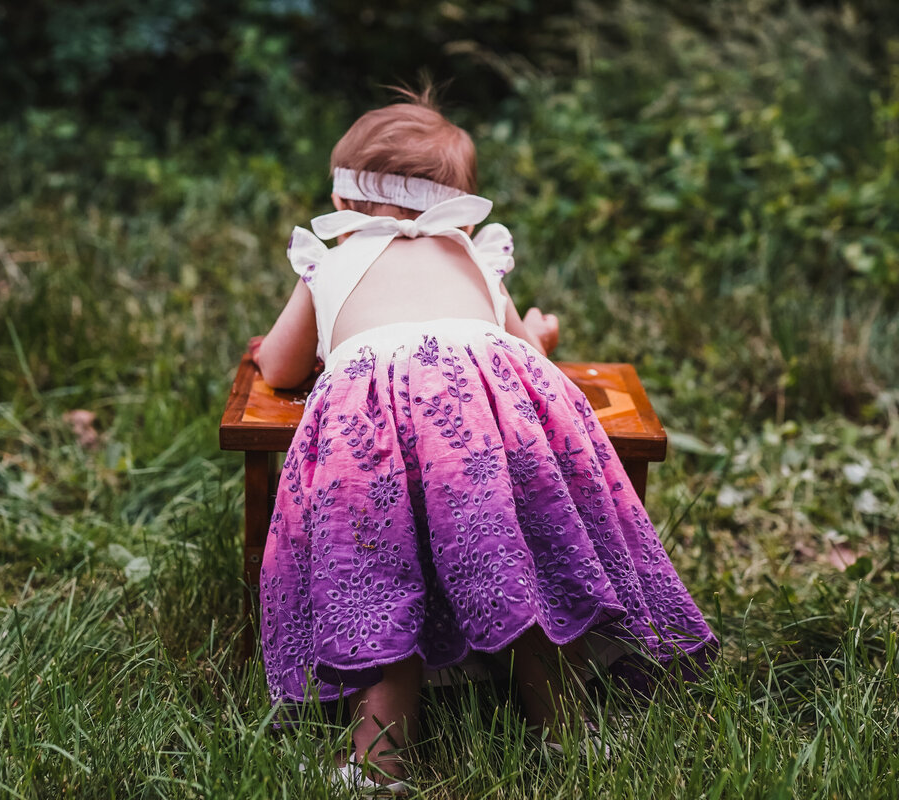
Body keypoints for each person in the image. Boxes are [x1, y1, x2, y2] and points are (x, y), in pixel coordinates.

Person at [253, 86, 715, 793]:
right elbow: (526, 353)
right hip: (481, 442)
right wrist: (539, 335)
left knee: (381, 581)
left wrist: (281, 350)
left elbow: (282, 368)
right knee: (517, 571)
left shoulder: (330, 261)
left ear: (344, 203)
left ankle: (378, 762)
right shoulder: (473, 259)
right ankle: (567, 734)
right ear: (455, 207)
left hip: (370, 435)